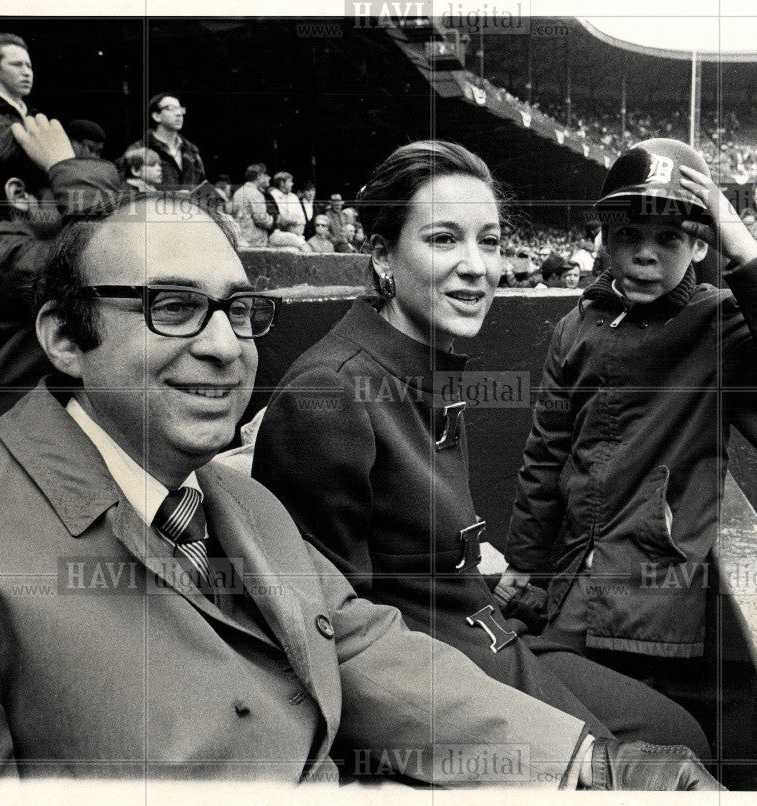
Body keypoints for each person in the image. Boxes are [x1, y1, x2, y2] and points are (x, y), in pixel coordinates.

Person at [0, 191, 718, 791]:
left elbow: (366, 646)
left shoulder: (239, 503)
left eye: (240, 311)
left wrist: (587, 765)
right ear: (63, 337)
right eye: (174, 307)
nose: (225, 348)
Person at [251, 140, 714, 769]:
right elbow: (333, 642)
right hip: (440, 677)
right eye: (444, 240)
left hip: (486, 628)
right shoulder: (330, 392)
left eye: (490, 242)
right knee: (664, 753)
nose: (478, 267)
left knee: (680, 730)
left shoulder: (420, 356)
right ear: (383, 256)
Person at [495, 140, 757, 714]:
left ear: (698, 244)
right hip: (568, 580)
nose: (645, 256)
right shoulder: (577, 323)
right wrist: (525, 563)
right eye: (627, 237)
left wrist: (735, 230)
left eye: (668, 238)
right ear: (604, 240)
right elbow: (546, 454)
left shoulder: (717, 320)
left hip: (651, 600)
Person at [0, 114, 124, 446]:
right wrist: (67, 164)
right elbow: (108, 258)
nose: (69, 209)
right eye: (62, 192)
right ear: (20, 195)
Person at [126, 93, 207, 190]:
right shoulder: (138, 149)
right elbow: (128, 190)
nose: (179, 114)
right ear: (157, 116)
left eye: (180, 109)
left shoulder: (191, 150)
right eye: (170, 109)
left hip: (187, 205)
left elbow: (201, 185)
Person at [230, 163, 274, 247]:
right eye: (267, 175)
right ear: (259, 176)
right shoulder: (256, 194)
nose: (269, 178)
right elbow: (261, 219)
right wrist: (273, 221)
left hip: (241, 239)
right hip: (255, 241)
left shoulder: (238, 192)